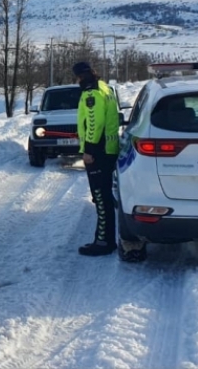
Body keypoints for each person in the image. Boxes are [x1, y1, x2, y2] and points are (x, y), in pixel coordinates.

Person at [73, 61, 121, 256]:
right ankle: (106, 238)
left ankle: (103, 242)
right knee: (105, 197)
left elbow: (95, 123)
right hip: (108, 149)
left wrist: (89, 150)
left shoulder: (91, 92)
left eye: (77, 77)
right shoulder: (105, 87)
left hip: (98, 152)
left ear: (81, 76)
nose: (76, 81)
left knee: (101, 198)